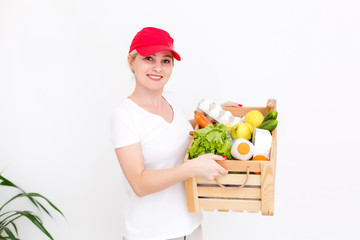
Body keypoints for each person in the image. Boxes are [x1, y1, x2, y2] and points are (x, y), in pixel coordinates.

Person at [110, 27, 240, 240]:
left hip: (191, 227)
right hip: (153, 234)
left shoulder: (171, 99)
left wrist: (212, 118)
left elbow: (175, 134)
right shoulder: (124, 116)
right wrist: (191, 168)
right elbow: (139, 183)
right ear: (131, 62)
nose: (158, 68)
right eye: (149, 59)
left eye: (166, 61)